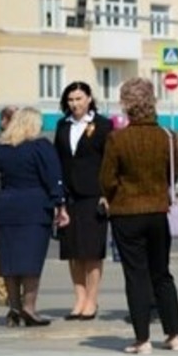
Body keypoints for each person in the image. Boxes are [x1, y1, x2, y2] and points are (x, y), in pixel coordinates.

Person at [100, 77, 178, 354]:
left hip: (126, 213)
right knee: (162, 273)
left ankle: (142, 339)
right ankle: (174, 334)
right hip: (159, 212)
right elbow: (176, 172)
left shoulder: (117, 139)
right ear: (152, 103)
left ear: (126, 105)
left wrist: (112, 195)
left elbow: (107, 179)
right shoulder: (167, 136)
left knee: (136, 275)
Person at [0, 107, 69, 326]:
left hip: (7, 205)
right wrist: (60, 205)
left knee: (9, 261)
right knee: (31, 261)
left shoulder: (2, 148)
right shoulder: (40, 146)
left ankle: (14, 309)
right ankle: (29, 308)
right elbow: (53, 176)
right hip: (35, 206)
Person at [53, 82, 114, 320]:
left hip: (93, 196)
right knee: (72, 250)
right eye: (70, 100)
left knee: (91, 250)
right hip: (69, 197)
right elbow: (58, 159)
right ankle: (79, 298)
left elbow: (109, 162)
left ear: (89, 99)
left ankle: (91, 299)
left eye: (79, 99)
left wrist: (106, 193)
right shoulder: (62, 125)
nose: (74, 104)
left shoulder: (103, 125)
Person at [0, 106, 17, 307]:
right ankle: (16, 291)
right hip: (14, 202)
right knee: (14, 246)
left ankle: (1, 292)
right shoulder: (25, 144)